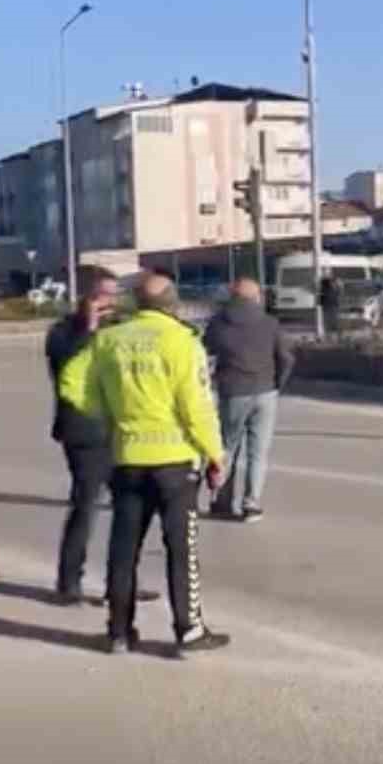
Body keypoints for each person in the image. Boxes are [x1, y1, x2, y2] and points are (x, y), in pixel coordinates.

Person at [61, 272, 228, 656]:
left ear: (136, 304)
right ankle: (189, 631)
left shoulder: (108, 340)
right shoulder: (182, 342)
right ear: (172, 303)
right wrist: (215, 454)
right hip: (174, 463)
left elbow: (72, 382)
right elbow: (196, 407)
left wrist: (107, 411)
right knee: (180, 549)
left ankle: (119, 631)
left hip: (127, 459)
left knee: (124, 549)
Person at [44, 266, 154, 607]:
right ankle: (68, 581)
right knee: (86, 506)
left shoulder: (120, 327)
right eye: (101, 295)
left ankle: (121, 584)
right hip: (85, 432)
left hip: (122, 428)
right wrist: (89, 328)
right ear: (85, 298)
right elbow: (65, 367)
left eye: (113, 295)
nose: (109, 302)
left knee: (129, 510)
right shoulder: (63, 332)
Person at [203, 277, 295, 521]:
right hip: (265, 392)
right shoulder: (269, 323)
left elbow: (204, 353)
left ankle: (222, 500)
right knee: (258, 452)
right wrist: (277, 384)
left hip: (233, 391)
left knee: (227, 447)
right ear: (257, 297)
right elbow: (286, 358)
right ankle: (251, 503)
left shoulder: (219, 324)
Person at [319, 271, 342, 337]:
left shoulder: (335, 284)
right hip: (328, 305)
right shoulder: (324, 284)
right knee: (329, 321)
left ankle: (335, 334)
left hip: (332, 305)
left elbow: (339, 292)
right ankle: (329, 334)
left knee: (333, 321)